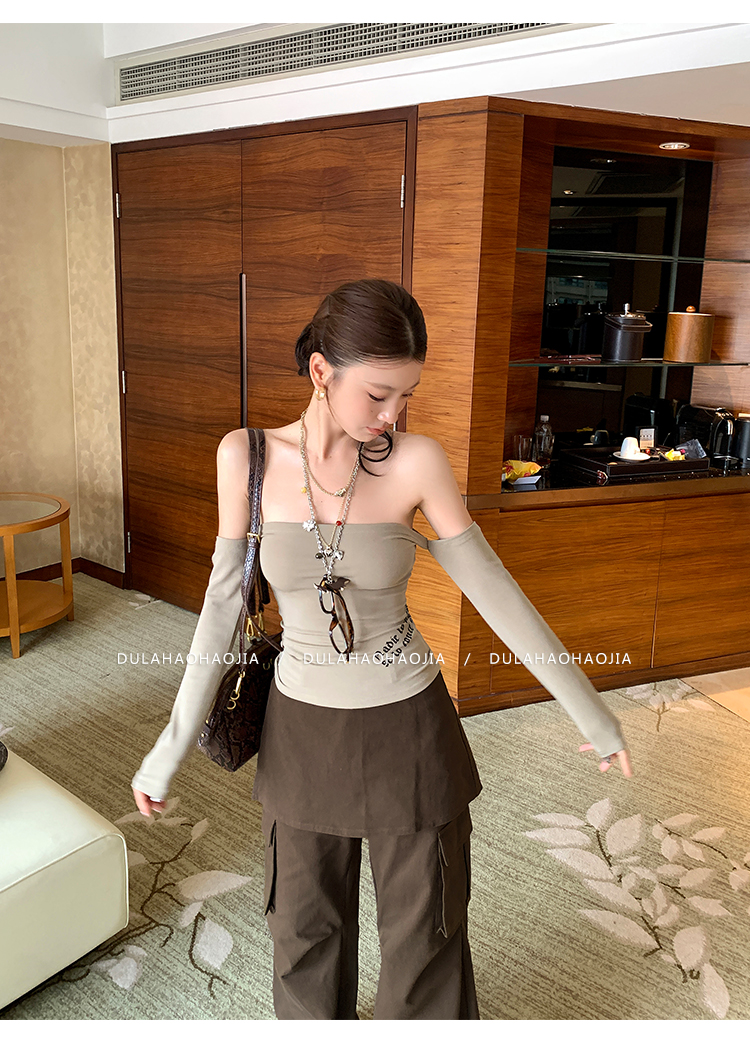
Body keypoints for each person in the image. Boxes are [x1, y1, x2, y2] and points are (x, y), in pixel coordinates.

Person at [132, 279, 632, 1021]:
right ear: (320, 372)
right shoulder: (246, 457)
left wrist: (593, 714)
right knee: (302, 933)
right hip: (300, 732)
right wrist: (167, 749)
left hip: (409, 728)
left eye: (405, 396)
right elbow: (220, 607)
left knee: (425, 936)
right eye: (377, 394)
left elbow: (495, 592)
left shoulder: (416, 461)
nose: (392, 415)